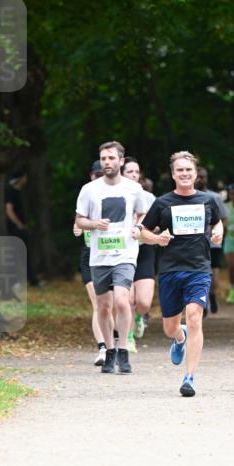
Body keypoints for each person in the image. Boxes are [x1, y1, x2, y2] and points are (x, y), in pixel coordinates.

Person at [138, 150, 223, 397]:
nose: (185, 173)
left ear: (195, 174)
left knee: (195, 316)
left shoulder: (208, 201)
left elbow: (217, 222)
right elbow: (142, 231)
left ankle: (189, 378)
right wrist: (157, 238)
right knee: (169, 327)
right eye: (180, 170)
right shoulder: (163, 203)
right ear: (173, 174)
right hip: (170, 270)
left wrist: (219, 232)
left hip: (199, 269)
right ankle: (179, 337)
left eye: (189, 170)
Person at [75, 141, 146, 375]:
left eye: (111, 158)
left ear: (121, 161)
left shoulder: (133, 189)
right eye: (104, 158)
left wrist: (137, 226)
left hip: (125, 253)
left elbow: (143, 211)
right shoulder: (89, 189)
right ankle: (109, 350)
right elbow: (80, 220)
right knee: (103, 306)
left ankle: (124, 350)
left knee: (122, 301)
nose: (107, 162)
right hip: (99, 255)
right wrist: (95, 224)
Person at [72, 160, 111, 366]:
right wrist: (78, 228)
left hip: (111, 254)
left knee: (110, 305)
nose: (98, 178)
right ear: (91, 176)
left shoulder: (116, 192)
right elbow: (79, 219)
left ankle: (116, 346)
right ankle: (103, 348)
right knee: (97, 303)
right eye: (95, 174)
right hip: (90, 255)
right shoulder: (87, 193)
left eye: (101, 174)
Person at [122, 156, 156, 353]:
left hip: (144, 250)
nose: (134, 175)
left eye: (136, 172)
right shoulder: (116, 195)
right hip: (124, 252)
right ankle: (128, 337)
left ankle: (138, 317)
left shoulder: (149, 198)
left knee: (142, 302)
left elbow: (158, 223)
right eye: (130, 172)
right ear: (123, 173)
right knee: (128, 299)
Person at [194, 166, 228, 314]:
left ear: (207, 179)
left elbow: (224, 219)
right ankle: (203, 302)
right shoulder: (189, 198)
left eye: (203, 177)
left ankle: (212, 295)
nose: (200, 179)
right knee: (198, 274)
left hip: (213, 243)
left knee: (213, 275)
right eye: (198, 176)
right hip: (195, 243)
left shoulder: (214, 197)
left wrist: (218, 232)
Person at [4, 167, 41, 287]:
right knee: (17, 254)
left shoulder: (17, 191)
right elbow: (9, 210)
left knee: (23, 253)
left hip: (19, 228)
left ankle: (31, 279)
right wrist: (18, 224)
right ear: (20, 178)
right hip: (15, 229)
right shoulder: (10, 191)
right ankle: (15, 281)